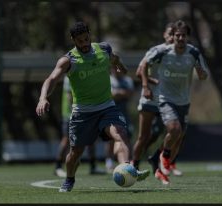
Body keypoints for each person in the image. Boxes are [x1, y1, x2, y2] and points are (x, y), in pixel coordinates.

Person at [36, 21, 150, 192]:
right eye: (80, 41)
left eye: (86, 39)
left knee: (120, 134)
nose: (84, 44)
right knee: (75, 154)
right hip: (82, 113)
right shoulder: (69, 60)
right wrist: (43, 98)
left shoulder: (103, 49)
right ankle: (69, 179)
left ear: (90, 35)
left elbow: (114, 58)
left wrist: (121, 66)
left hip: (107, 107)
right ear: (73, 40)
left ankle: (128, 168)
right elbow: (51, 79)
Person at [140, 20, 209, 185]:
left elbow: (204, 76)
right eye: (177, 35)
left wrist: (200, 73)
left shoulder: (193, 53)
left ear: (187, 37)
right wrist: (145, 86)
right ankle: (164, 158)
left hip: (184, 101)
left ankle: (160, 166)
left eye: (183, 35)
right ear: (173, 36)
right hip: (165, 99)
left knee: (178, 138)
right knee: (174, 129)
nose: (179, 38)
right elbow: (143, 65)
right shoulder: (162, 51)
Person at [132, 22, 183, 179]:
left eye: (174, 34)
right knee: (144, 136)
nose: (171, 37)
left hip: (166, 101)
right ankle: (133, 167)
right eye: (169, 33)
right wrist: (150, 84)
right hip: (150, 99)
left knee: (176, 133)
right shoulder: (155, 51)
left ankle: (157, 158)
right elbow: (138, 72)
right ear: (165, 35)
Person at [55, 76, 106, 177]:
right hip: (71, 114)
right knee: (66, 140)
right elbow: (70, 96)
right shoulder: (69, 76)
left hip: (85, 112)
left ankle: (93, 166)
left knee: (91, 138)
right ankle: (58, 167)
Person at [105, 67, 135, 173]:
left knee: (127, 137)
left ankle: (128, 161)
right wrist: (120, 93)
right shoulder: (108, 79)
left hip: (125, 113)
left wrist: (118, 94)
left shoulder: (127, 80)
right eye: (114, 69)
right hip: (111, 112)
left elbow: (130, 93)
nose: (116, 71)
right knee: (112, 138)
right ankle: (109, 161)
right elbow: (109, 95)